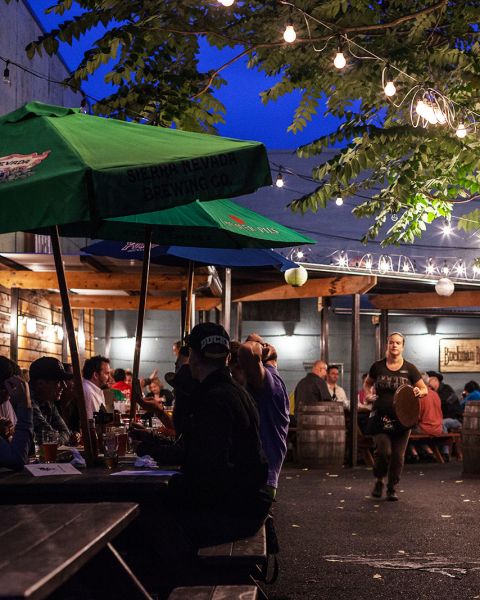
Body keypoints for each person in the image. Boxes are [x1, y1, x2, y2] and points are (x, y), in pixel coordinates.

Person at [130, 322, 270, 551]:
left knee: (144, 518)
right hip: (247, 502)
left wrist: (145, 449)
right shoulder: (235, 392)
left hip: (231, 509)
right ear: (226, 357)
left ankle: (177, 580)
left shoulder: (213, 399)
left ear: (193, 356)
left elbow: (202, 462)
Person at [364, 332, 427, 501]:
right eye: (391, 342)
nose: (394, 345)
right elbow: (367, 383)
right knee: (384, 451)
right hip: (380, 416)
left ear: (402, 346)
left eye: (398, 343)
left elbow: (424, 389)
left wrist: (418, 391)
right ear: (387, 345)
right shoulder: (377, 367)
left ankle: (392, 487)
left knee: (398, 456)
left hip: (403, 418)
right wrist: (368, 394)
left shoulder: (410, 368)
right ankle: (379, 480)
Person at [238, 333, 290, 496]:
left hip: (261, 478)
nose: (264, 345)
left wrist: (255, 343)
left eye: (264, 344)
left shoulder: (269, 381)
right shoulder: (268, 379)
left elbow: (247, 351)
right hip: (259, 475)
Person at [30, 357, 75, 446]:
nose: (64, 386)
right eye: (58, 382)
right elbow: (49, 437)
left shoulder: (48, 401)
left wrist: (60, 437)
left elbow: (65, 432)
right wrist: (61, 437)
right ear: (40, 384)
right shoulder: (27, 401)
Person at [0, 356, 32, 470]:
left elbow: (16, 441)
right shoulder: (4, 399)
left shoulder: (4, 402)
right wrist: (25, 405)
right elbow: (18, 459)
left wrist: (6, 435)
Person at [82, 355, 110, 420]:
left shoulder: (95, 390)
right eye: (107, 373)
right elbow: (91, 423)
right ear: (95, 375)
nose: (109, 378)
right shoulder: (87, 391)